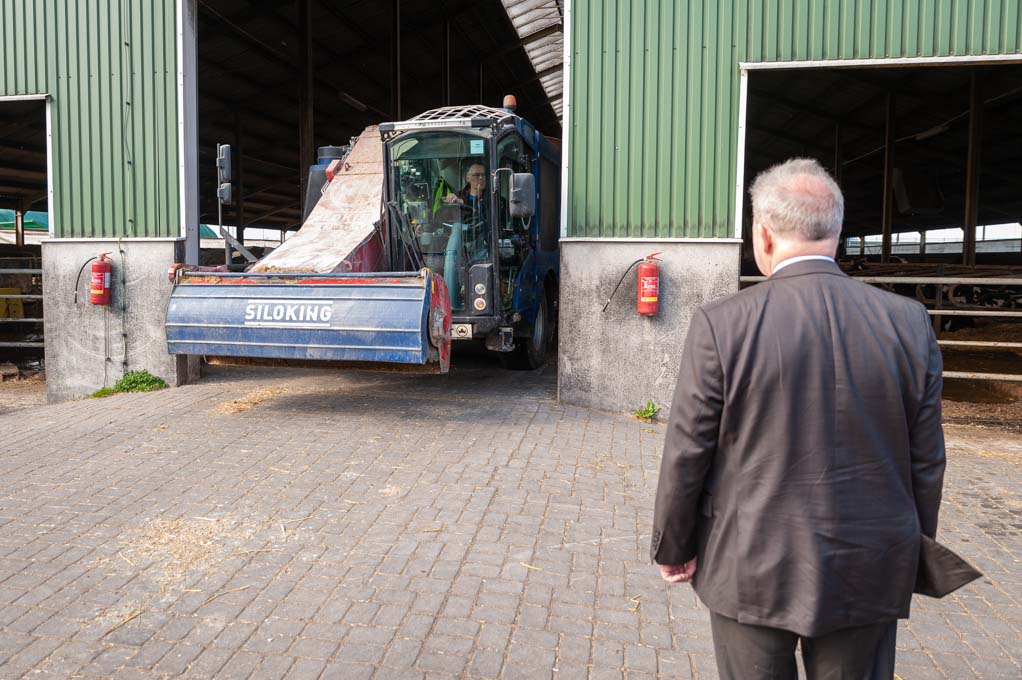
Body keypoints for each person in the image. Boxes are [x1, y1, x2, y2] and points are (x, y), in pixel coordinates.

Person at [651, 158, 946, 679]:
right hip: (869, 562)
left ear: (762, 234)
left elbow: (688, 450)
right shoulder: (908, 322)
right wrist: (907, 548)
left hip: (751, 565)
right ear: (837, 231)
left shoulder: (723, 324)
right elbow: (926, 461)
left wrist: (674, 545)